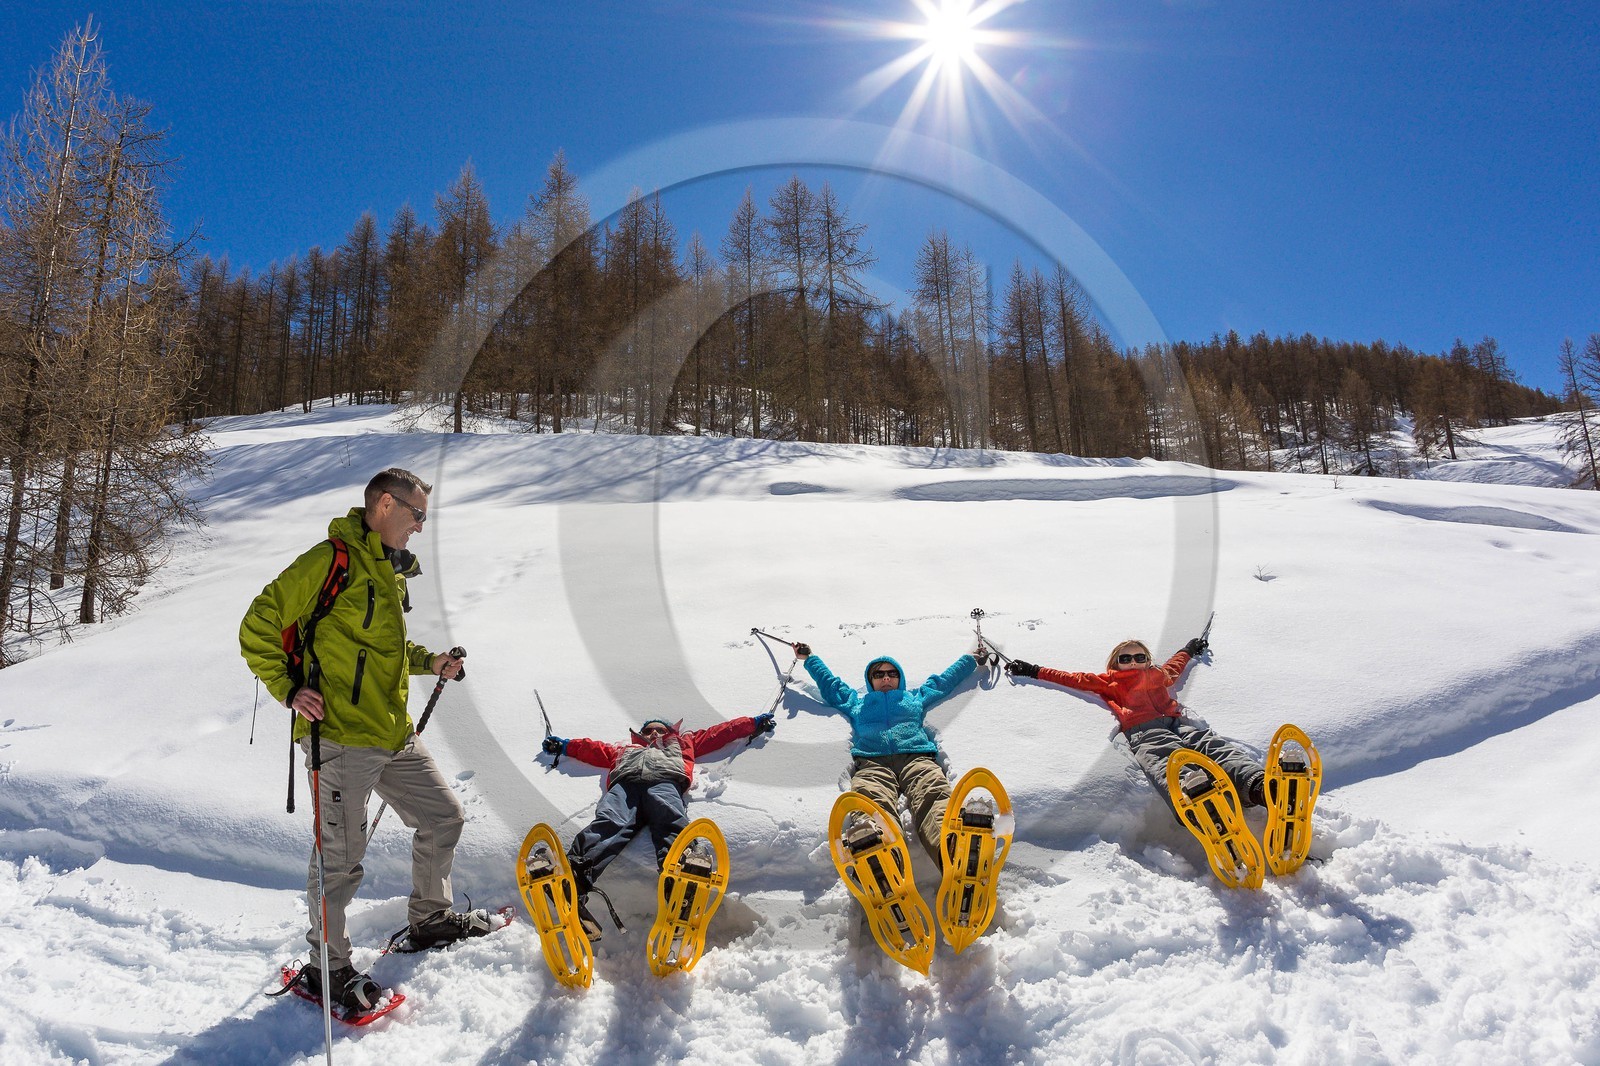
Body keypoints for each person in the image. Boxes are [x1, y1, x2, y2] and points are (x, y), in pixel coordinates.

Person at [240, 468, 484, 1013]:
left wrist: (432, 662)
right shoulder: (330, 560)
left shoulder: (389, 572)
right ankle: (326, 967)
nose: (421, 526)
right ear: (384, 506)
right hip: (342, 740)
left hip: (391, 733)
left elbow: (382, 650)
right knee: (341, 858)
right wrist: (288, 688)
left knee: (443, 816)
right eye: (417, 514)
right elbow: (256, 623)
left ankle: (430, 918)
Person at [542, 712, 775, 940]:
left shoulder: (684, 741)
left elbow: (719, 734)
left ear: (670, 731)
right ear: (639, 735)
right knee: (610, 822)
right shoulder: (625, 749)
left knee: (670, 821)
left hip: (665, 782)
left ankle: (681, 881)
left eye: (660, 729)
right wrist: (564, 746)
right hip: (625, 785)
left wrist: (752, 724)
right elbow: (593, 750)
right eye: (647, 730)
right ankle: (572, 879)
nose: (653, 733)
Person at [1006, 634, 1267, 812]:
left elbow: (1176, 665)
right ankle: (1197, 798)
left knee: (1209, 744)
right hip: (1144, 729)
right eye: (1126, 658)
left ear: (1148, 660)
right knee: (1166, 756)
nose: (1133, 662)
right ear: (1115, 663)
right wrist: (1032, 669)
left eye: (1139, 657)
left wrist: (1188, 650)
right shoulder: (1108, 681)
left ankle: (1257, 785)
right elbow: (1070, 678)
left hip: (1176, 721)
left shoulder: (1157, 675)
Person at [796, 641, 978, 864]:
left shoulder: (913, 698)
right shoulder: (858, 704)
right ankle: (881, 853)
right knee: (871, 797)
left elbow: (943, 681)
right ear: (870, 681)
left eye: (892, 673)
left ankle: (952, 847)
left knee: (932, 790)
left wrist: (971, 660)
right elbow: (831, 686)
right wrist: (810, 658)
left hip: (916, 757)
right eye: (879, 674)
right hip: (873, 763)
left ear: (900, 678)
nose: (886, 678)